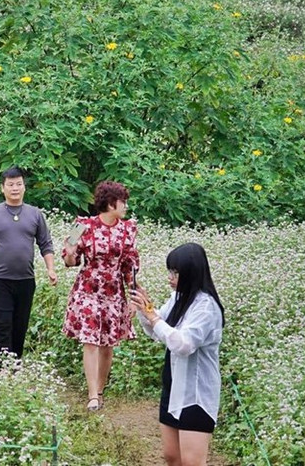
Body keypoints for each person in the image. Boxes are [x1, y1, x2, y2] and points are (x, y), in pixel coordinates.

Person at [130, 243, 225, 466]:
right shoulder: (178, 298)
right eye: (170, 271)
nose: (170, 277)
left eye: (175, 272)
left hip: (196, 393)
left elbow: (183, 344)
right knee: (172, 457)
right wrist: (147, 309)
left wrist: (153, 317)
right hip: (173, 386)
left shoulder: (206, 308)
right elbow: (157, 330)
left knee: (192, 462)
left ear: (191, 273)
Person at [61, 180, 139, 411]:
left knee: (107, 343)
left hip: (114, 291)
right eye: (122, 201)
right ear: (110, 203)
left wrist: (134, 296)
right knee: (90, 340)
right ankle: (92, 394)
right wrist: (72, 253)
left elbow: (130, 265)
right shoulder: (81, 225)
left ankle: (101, 389)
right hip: (87, 289)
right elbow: (68, 259)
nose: (125, 206)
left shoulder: (129, 229)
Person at [0, 167, 58, 359]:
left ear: (24, 187)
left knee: (20, 323)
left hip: (25, 279)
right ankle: (3, 365)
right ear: (2, 188)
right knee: (2, 322)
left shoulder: (35, 214)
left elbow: (45, 243)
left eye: (18, 184)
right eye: (10, 185)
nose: (15, 188)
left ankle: (15, 363)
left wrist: (51, 269)